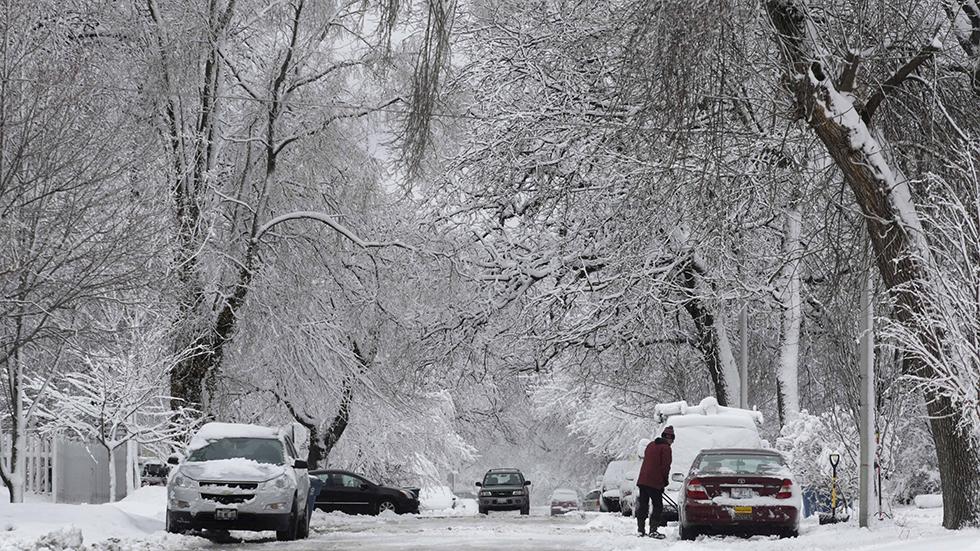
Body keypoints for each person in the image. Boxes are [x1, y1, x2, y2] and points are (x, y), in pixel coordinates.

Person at [635, 426, 675, 538]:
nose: (672, 442)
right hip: (654, 482)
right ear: (670, 439)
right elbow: (665, 467)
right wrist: (664, 481)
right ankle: (653, 530)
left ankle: (640, 529)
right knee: (657, 506)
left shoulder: (650, 445)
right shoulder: (666, 448)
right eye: (672, 440)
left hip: (642, 480)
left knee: (643, 505)